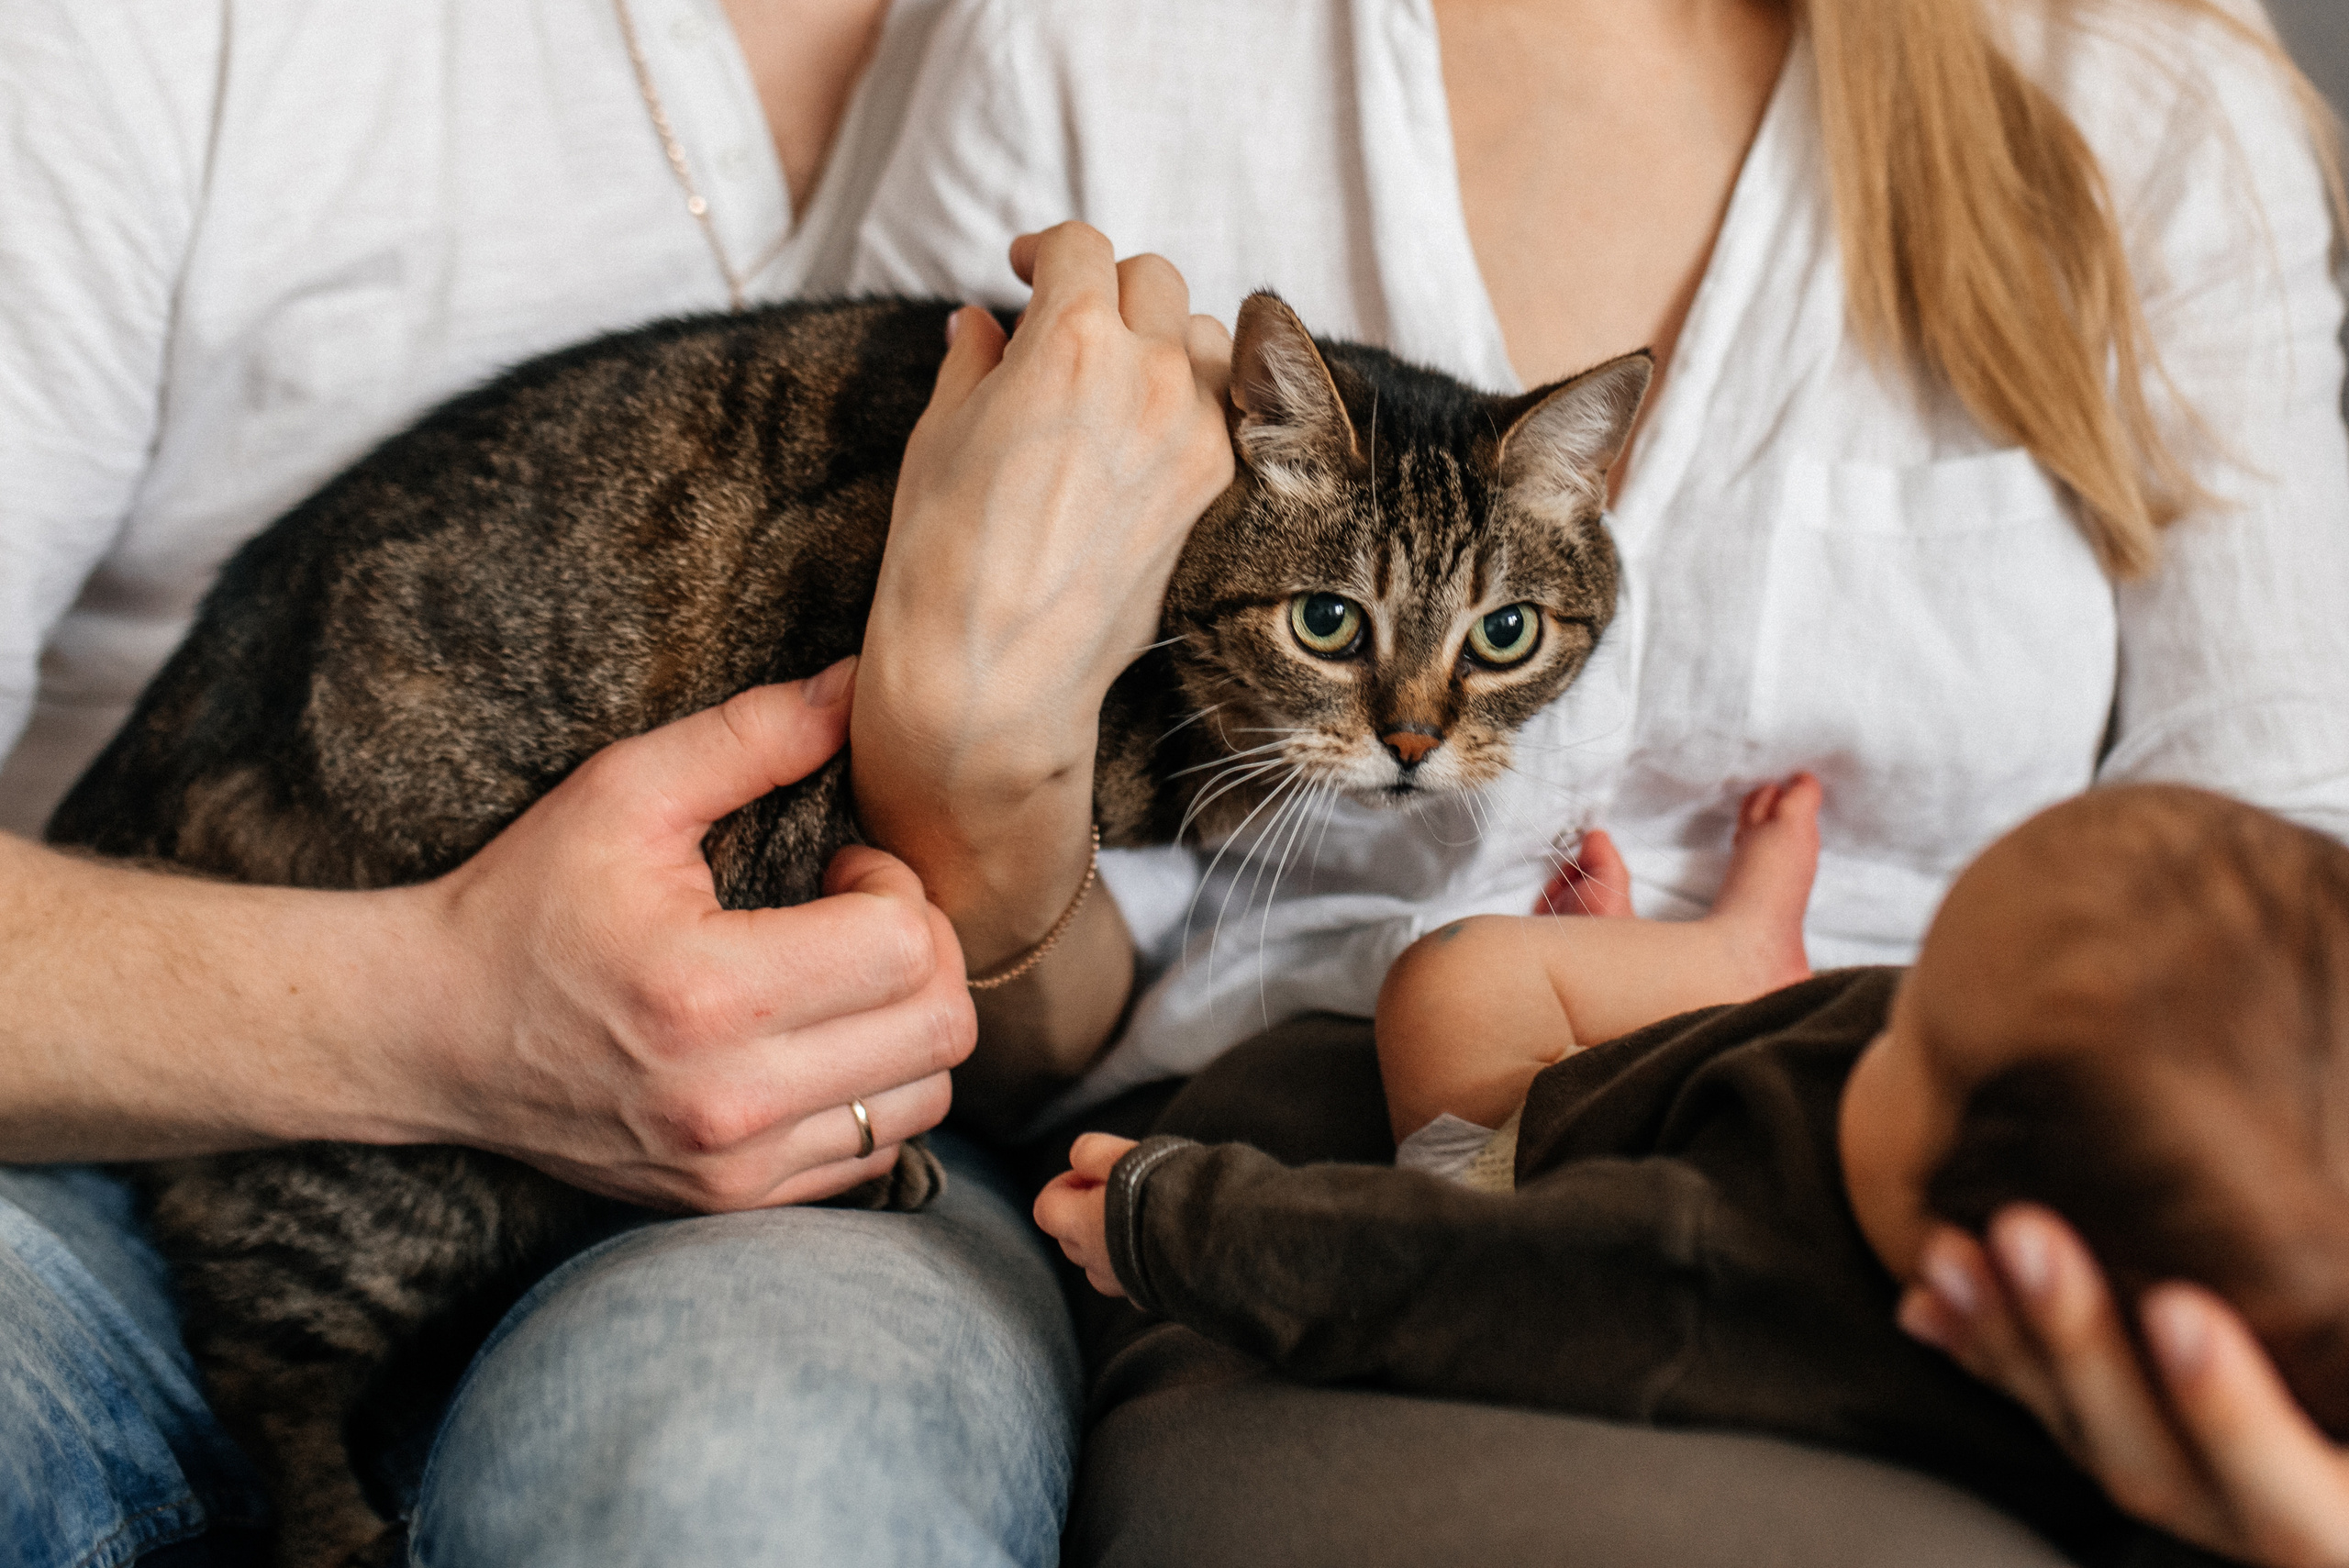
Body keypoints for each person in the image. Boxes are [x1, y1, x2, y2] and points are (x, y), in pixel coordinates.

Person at [839, 0, 2349, 1560]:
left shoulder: (2144, 83)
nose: (1420, 729)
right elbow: (928, 841)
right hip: (1310, 1140)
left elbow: (2287, 887)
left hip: (1971, 1156)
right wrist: (975, 790)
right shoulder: (1094, 44)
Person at [0, 2, 1230, 1563]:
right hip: (144, 1100)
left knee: (737, 1501)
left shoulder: (1192, 61)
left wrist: (982, 778)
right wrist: (442, 1018)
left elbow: (1092, 1015)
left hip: (825, 1177)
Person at [1036, 781, 2349, 1565]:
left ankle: (1711, 979)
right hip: (1698, 1076)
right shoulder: (2073, 1118)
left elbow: (1428, 1271)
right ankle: (1716, 982)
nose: (1878, 1010)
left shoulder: (1693, 1261)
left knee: (1454, 984)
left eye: (1916, 1035)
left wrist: (1165, 1217)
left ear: (1983, 1250)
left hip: (1518, 1188)